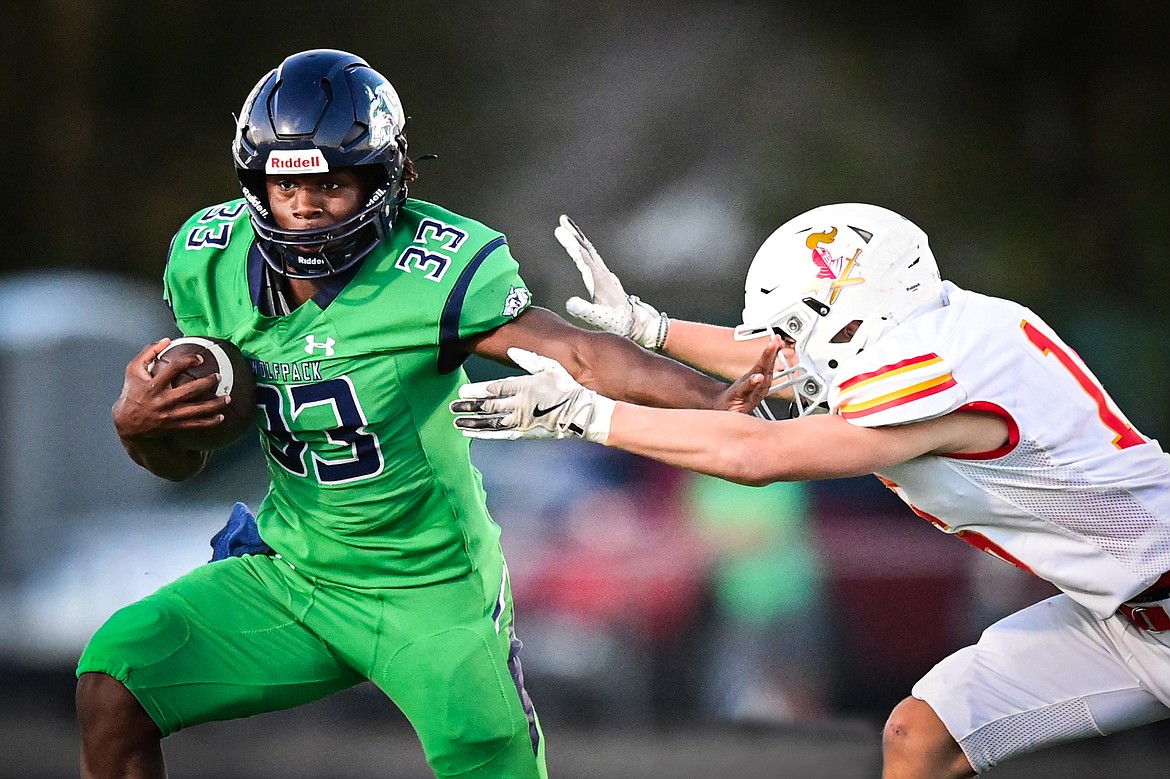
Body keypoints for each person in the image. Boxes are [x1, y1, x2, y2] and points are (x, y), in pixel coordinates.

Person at [75, 49, 746, 779]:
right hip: (295, 573)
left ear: (382, 180)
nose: (303, 205)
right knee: (117, 678)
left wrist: (714, 399)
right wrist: (137, 428)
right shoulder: (208, 260)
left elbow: (580, 355)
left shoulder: (431, 270)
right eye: (284, 182)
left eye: (330, 182)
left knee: (493, 765)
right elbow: (181, 461)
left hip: (431, 589)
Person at [451, 202, 1170, 777]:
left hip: (1157, 594)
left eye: (795, 329)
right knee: (923, 735)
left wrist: (586, 415)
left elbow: (756, 451)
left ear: (858, 315)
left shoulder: (940, 376)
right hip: (1126, 617)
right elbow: (780, 355)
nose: (780, 353)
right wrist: (652, 326)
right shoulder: (941, 325)